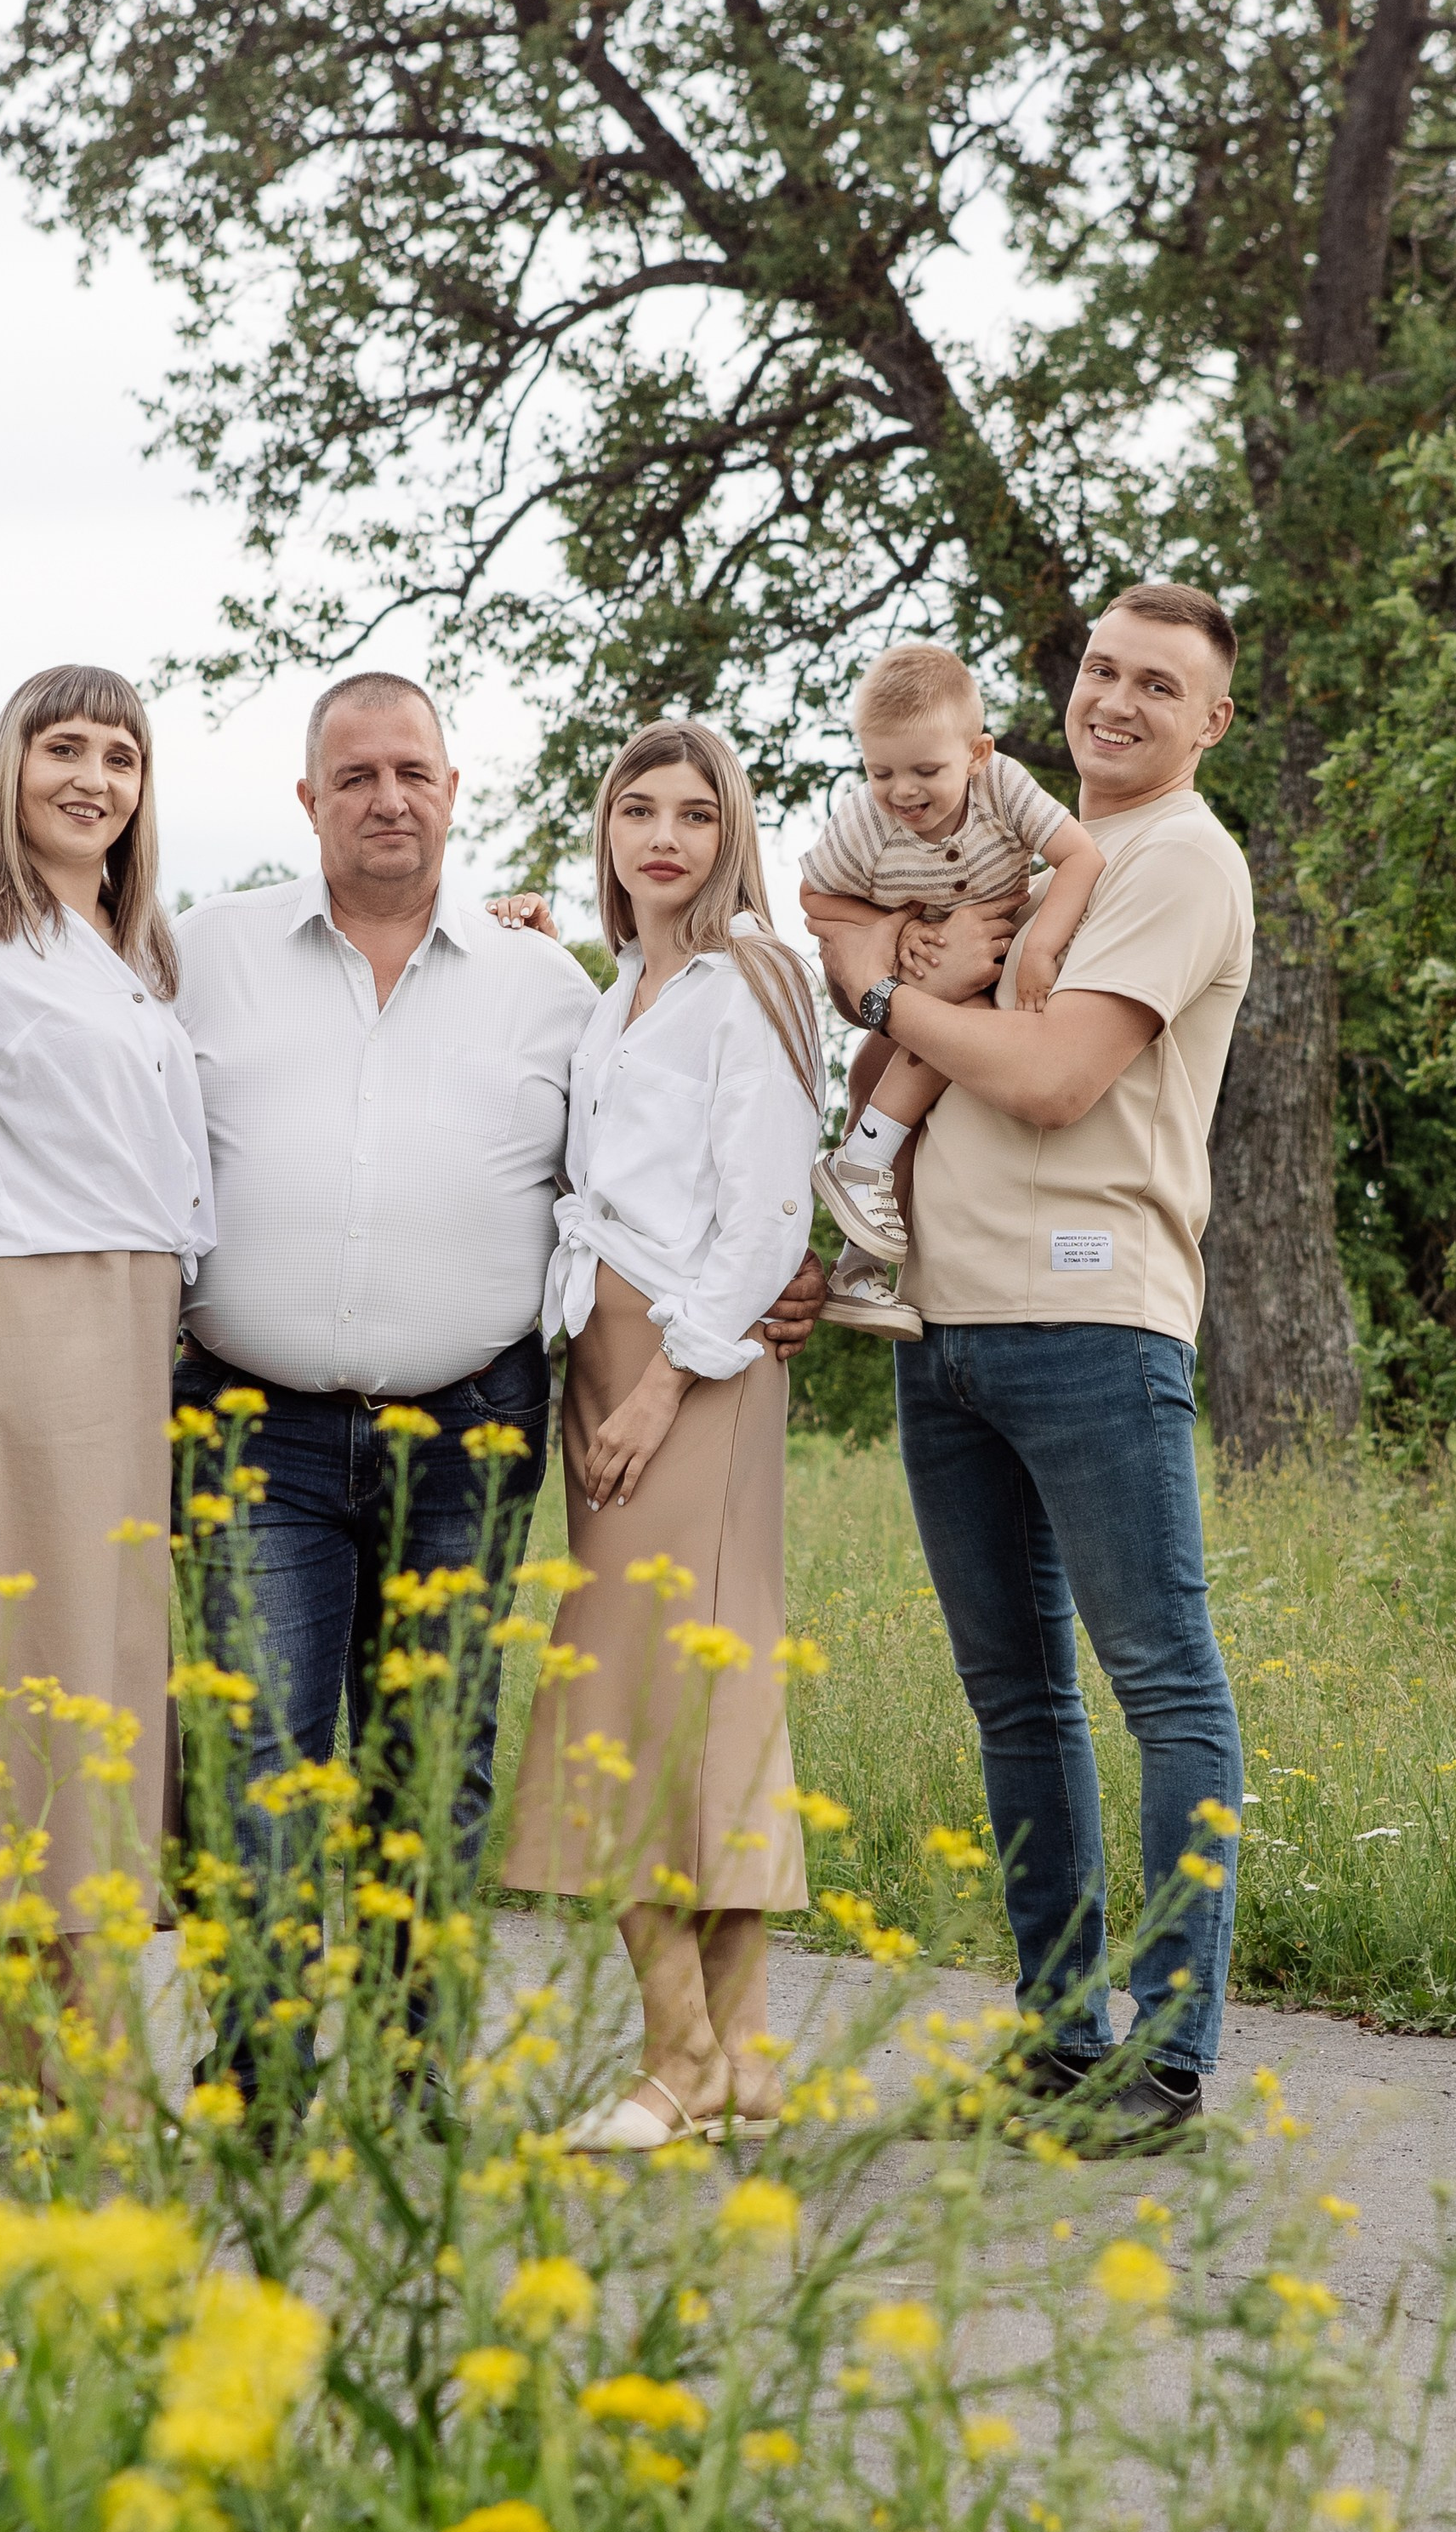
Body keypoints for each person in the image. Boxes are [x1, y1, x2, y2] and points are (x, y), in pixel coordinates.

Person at [170, 671, 826, 1910]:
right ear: (308, 799)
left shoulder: (550, 989)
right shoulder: (210, 951)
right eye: (355, 776)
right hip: (252, 1427)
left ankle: (406, 2086)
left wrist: (779, 1274)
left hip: (469, 1425)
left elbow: (679, 1180)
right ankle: (255, 2093)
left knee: (434, 1774)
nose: (387, 799)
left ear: (454, 793)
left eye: (413, 773)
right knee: (260, 1756)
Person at [811, 581, 1253, 2152]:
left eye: (1156, 686)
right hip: (946, 1327)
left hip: (1091, 1319)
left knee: (1160, 1685)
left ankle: (1171, 2051)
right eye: (1098, 671)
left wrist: (884, 988)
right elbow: (897, 1043)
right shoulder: (1000, 838)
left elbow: (1059, 1079)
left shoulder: (1179, 861)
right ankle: (1056, 2036)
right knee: (1016, 1702)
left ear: (1207, 720)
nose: (1114, 702)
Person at [502, 720, 825, 2154]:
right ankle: (737, 2059)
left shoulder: (746, 978)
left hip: (691, 1363)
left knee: (643, 1698)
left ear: (729, 832)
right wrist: (525, 942)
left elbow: (767, 1209)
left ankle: (678, 2055)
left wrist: (659, 1385)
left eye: (695, 813)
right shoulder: (620, 985)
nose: (664, 837)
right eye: (637, 809)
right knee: (680, 1697)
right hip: (605, 1336)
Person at [0, 665, 213, 1963]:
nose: (93, 780)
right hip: (37, 1307)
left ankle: (84, 2009)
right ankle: (33, 2030)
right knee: (46, 1649)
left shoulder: (141, 949)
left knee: (132, 1661)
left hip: (152, 1319)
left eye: (121, 758)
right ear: (7, 767)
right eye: (63, 749)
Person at [799, 641, 1104, 1342]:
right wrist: (892, 927)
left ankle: (855, 1271)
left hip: (974, 963)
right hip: (924, 969)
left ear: (976, 753)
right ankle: (861, 1158)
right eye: (881, 772)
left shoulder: (1002, 786)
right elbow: (815, 898)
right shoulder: (866, 825)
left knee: (926, 1087)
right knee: (954, 1019)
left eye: (925, 770)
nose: (902, 792)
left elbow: (1080, 855)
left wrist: (1043, 951)